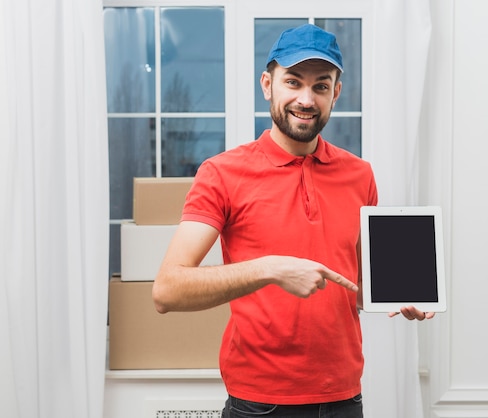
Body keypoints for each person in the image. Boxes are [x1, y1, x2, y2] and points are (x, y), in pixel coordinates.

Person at [152, 23, 434, 418]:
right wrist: (269, 268)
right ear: (267, 84)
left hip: (343, 398)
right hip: (259, 403)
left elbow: (353, 284)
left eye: (320, 86)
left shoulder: (360, 175)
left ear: (335, 93)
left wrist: (400, 291)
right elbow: (167, 290)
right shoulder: (222, 173)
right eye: (293, 82)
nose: (306, 98)